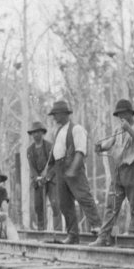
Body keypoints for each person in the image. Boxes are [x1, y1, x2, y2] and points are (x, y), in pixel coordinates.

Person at [90, 98, 134, 246]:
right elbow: (109, 143)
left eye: (122, 114)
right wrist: (100, 147)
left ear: (130, 113)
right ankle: (103, 237)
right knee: (111, 205)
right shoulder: (117, 130)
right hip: (119, 171)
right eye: (118, 115)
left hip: (133, 169)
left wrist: (129, 129)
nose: (120, 117)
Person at [46, 100, 101, 244]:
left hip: (72, 167)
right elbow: (55, 155)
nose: (54, 117)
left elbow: (80, 151)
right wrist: (50, 173)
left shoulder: (76, 129)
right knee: (64, 203)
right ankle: (72, 235)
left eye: (56, 114)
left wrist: (73, 169)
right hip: (60, 169)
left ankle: (98, 228)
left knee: (83, 197)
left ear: (64, 114)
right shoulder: (57, 131)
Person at [26, 121, 62, 231]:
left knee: (55, 203)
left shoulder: (50, 147)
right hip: (38, 181)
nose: (36, 135)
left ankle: (58, 230)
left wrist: (48, 177)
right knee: (38, 207)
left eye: (38, 132)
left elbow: (56, 164)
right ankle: (41, 230)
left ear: (42, 133)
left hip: (51, 180)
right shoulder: (29, 150)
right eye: (34, 133)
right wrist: (37, 178)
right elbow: (32, 167)